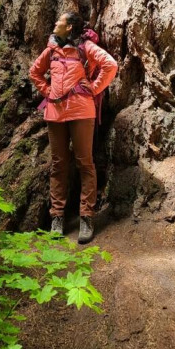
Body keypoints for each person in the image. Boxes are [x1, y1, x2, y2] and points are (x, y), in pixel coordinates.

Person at [29, 12, 118, 244]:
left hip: (81, 111)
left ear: (69, 27)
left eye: (59, 21)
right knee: (59, 164)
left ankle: (86, 217)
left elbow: (110, 65)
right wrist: (47, 91)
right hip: (55, 113)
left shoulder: (85, 47)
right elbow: (34, 72)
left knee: (84, 162)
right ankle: (56, 217)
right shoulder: (51, 49)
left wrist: (95, 88)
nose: (55, 23)